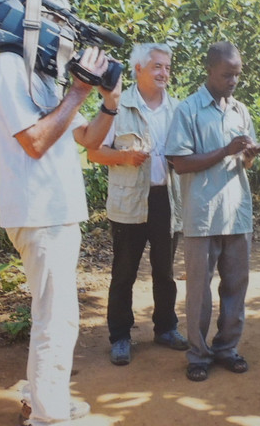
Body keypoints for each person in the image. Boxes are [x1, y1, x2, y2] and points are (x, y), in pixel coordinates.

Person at [0, 44, 121, 425]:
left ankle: (43, 399)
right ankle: (48, 416)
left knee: (55, 314)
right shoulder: (9, 66)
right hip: (39, 215)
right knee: (56, 318)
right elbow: (34, 142)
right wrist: (79, 89)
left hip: (56, 215)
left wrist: (109, 103)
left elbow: (89, 139)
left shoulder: (45, 78)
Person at [166, 41, 260, 382]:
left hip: (237, 213)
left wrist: (249, 155)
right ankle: (198, 355)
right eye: (227, 75)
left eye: (237, 75)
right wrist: (225, 150)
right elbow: (180, 163)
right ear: (209, 70)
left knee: (236, 286)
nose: (233, 81)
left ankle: (227, 348)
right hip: (202, 215)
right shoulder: (188, 110)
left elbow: (244, 164)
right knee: (199, 291)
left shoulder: (240, 110)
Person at [85, 43, 187, 366]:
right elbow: (94, 151)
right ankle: (120, 337)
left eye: (167, 67)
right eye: (157, 66)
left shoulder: (177, 109)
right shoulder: (117, 106)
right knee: (124, 272)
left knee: (165, 271)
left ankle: (166, 328)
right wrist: (124, 157)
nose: (164, 73)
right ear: (138, 69)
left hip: (166, 198)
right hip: (129, 200)